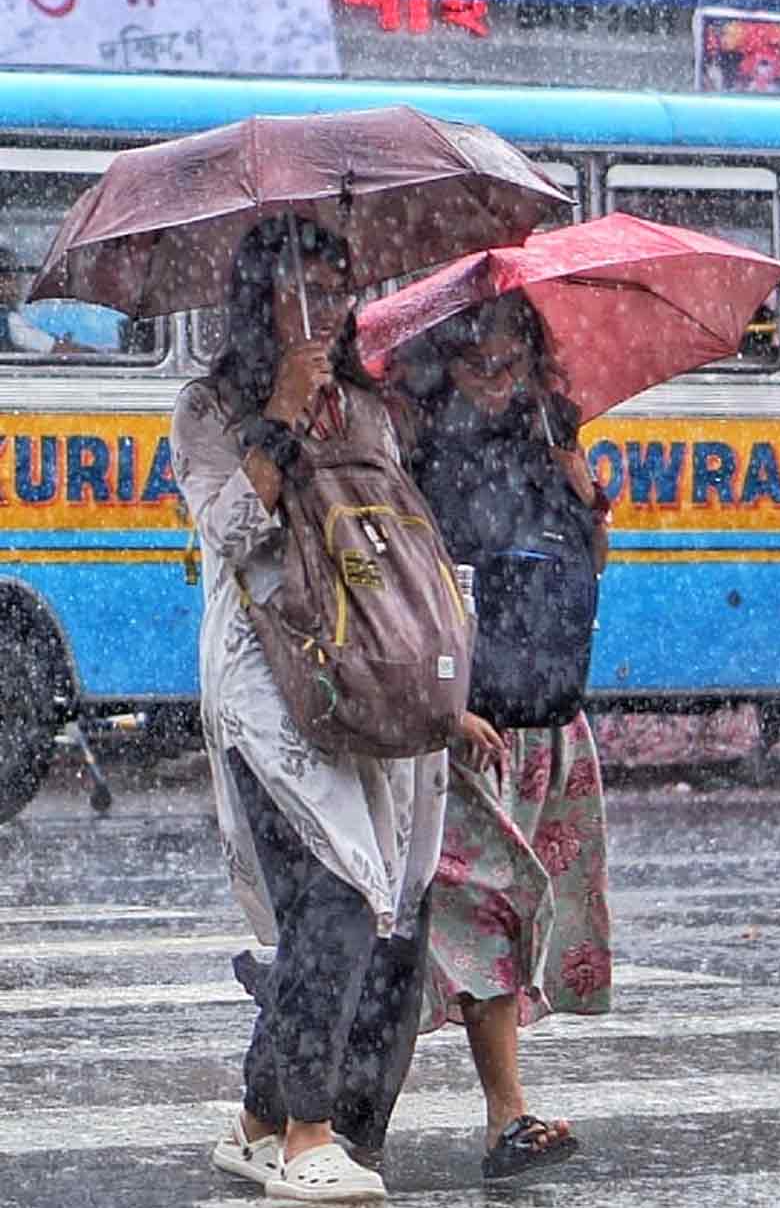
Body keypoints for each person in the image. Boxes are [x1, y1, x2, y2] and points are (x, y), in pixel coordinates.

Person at [170, 216, 447, 1204]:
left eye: (339, 292)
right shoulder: (206, 410)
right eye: (307, 291)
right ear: (261, 299)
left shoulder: (369, 411)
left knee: (369, 912)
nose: (327, 312)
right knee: (331, 893)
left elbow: (398, 552)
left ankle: (260, 1120)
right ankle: (307, 1130)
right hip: (264, 692)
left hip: (363, 683)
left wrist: (447, 688)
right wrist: (279, 419)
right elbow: (234, 531)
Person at [386, 292, 612, 1184]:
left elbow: (581, 570)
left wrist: (587, 504)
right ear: (446, 359)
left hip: (545, 710)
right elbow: (409, 585)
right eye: (478, 361)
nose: (495, 378)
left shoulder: (550, 431)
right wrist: (444, 702)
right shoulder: (418, 447)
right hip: (466, 718)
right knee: (480, 906)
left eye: (510, 361)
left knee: (505, 910)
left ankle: (317, 1107)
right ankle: (498, 1114)